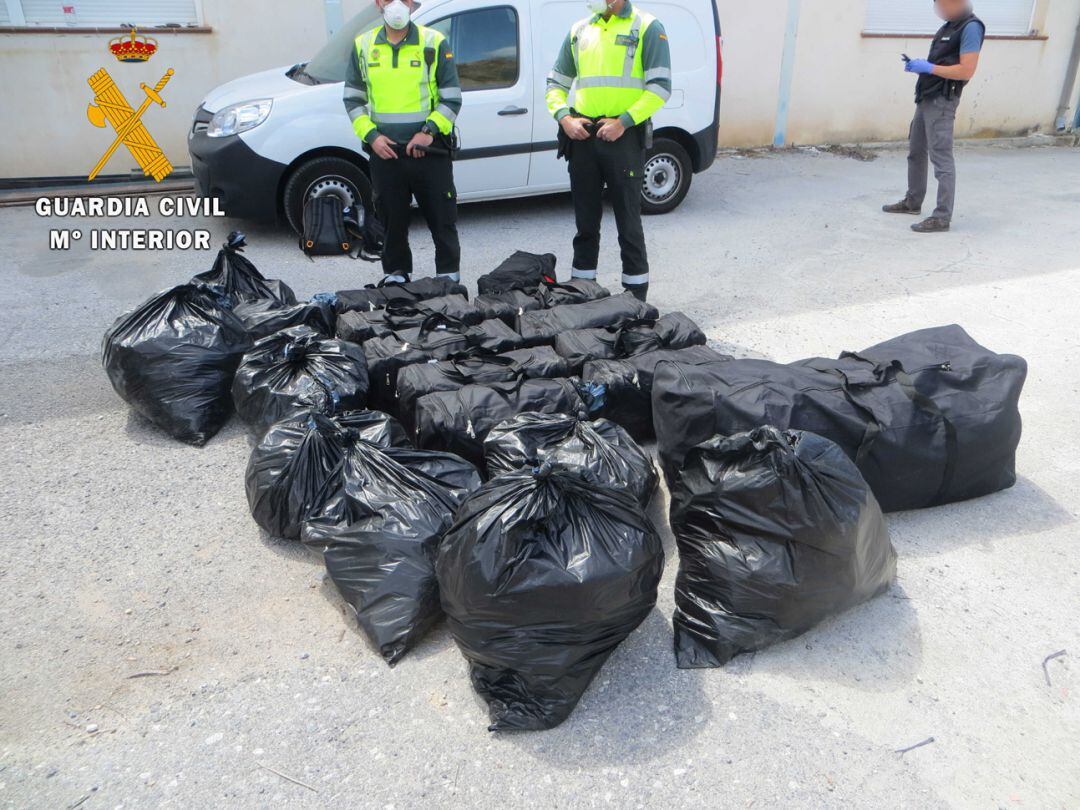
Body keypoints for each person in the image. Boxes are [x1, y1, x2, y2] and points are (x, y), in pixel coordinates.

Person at [546, 0, 671, 302]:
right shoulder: (579, 30)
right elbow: (555, 84)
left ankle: (635, 298)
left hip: (623, 138)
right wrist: (564, 118)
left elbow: (660, 87)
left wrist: (624, 122)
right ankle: (582, 292)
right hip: (583, 138)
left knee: (628, 222)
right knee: (585, 223)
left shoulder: (647, 27)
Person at [343, 0, 463, 282]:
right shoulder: (363, 45)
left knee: (442, 222)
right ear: (378, 4)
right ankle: (397, 279)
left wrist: (429, 131)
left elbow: (452, 97)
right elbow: (353, 100)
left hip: (430, 153)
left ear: (411, 4)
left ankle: (449, 281)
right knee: (391, 224)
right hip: (386, 156)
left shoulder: (433, 42)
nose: (395, 4)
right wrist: (372, 137)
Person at [883, 0, 985, 233]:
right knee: (916, 151)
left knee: (942, 159)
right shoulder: (950, 25)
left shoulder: (970, 27)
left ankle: (941, 217)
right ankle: (912, 202)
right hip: (927, 97)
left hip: (942, 101)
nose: (937, 9)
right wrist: (920, 67)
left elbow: (966, 70)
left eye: (940, 4)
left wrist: (928, 68)